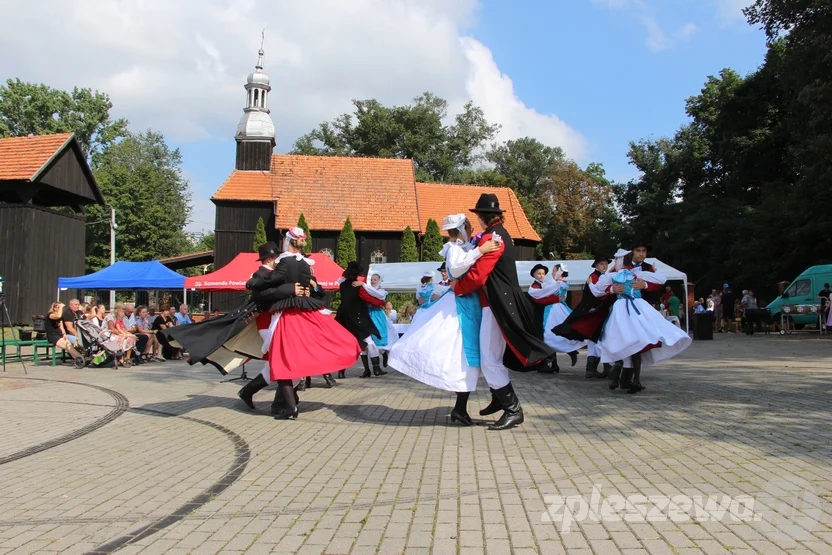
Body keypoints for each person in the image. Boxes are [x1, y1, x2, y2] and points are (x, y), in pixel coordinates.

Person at [453, 194, 554, 430]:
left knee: (489, 359)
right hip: (496, 303)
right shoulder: (498, 235)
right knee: (491, 357)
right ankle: (499, 398)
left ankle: (513, 409)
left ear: (481, 216)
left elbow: (479, 275)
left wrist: (457, 287)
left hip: (497, 305)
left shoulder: (493, 237)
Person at [388, 213, 500, 425]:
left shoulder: (462, 247)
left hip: (467, 303)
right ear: (462, 228)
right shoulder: (454, 249)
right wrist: (479, 251)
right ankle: (465, 407)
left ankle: (463, 408)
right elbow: (457, 268)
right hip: (459, 307)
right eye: (468, 226)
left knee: (469, 358)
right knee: (463, 356)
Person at [242, 228, 362, 419]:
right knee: (284, 361)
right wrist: (293, 288)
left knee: (284, 361)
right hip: (279, 318)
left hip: (288, 315)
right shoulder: (304, 265)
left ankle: (279, 401)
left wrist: (251, 283)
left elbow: (276, 281)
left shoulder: (286, 264)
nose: (274, 258)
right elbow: (264, 292)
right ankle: (281, 401)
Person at [590, 244, 692, 393]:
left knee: (627, 339)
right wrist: (612, 289)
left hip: (634, 309)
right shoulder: (624, 273)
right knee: (629, 339)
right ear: (632, 254)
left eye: (644, 251)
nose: (641, 254)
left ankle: (626, 376)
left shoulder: (641, 271)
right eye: (638, 251)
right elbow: (600, 290)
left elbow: (660, 282)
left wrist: (644, 285)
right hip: (630, 309)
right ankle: (623, 376)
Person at [335, 262, 386, 378]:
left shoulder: (342, 285)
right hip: (357, 317)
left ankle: (342, 371)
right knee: (369, 342)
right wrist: (382, 302)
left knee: (347, 344)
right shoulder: (358, 286)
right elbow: (371, 299)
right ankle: (376, 369)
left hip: (343, 318)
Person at [528, 263, 582, 373]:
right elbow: (538, 299)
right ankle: (553, 362)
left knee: (549, 335)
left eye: (543, 273)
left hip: (551, 311)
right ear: (534, 275)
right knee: (551, 334)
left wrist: (556, 299)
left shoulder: (552, 284)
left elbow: (540, 297)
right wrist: (556, 299)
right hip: (547, 311)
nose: (542, 275)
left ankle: (548, 363)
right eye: (539, 273)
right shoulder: (539, 285)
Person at [362, 273, 398, 368]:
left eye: (375, 280)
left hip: (378, 314)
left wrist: (364, 286)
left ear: (379, 281)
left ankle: (384, 354)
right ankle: (374, 364)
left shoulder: (381, 291)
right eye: (372, 280)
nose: (373, 281)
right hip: (369, 314)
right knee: (370, 338)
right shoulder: (367, 290)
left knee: (381, 335)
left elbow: (378, 295)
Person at [46, 302, 85, 368]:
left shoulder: (60, 318)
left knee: (69, 346)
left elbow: (61, 327)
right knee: (67, 346)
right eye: (58, 307)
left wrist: (64, 334)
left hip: (60, 334)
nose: (60, 309)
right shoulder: (50, 315)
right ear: (54, 308)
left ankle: (78, 359)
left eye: (60, 308)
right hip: (53, 336)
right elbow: (58, 316)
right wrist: (61, 306)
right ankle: (81, 358)